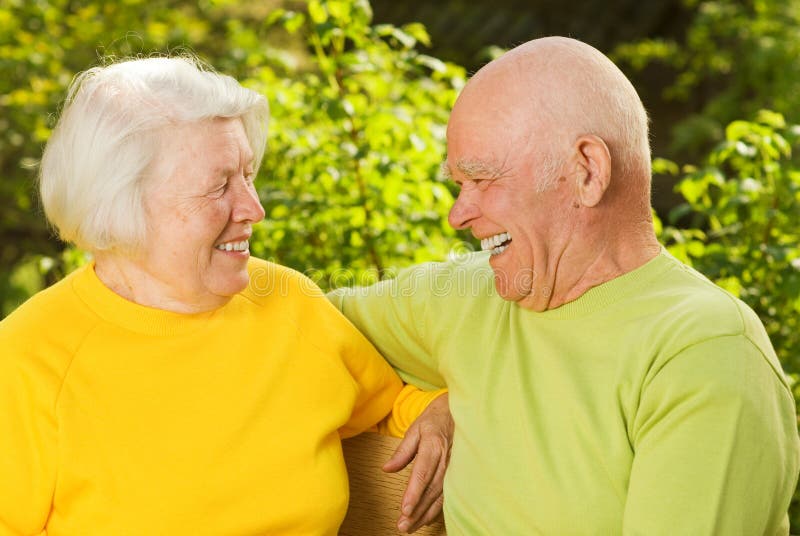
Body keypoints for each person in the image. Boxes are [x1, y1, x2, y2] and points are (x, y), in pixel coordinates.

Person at [329, 36, 800, 534]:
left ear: (587, 172)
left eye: (483, 179)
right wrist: (440, 401)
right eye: (457, 184)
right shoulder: (462, 299)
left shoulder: (701, 351)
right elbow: (282, 319)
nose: (457, 215)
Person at [0, 56, 452, 535]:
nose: (253, 208)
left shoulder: (286, 301)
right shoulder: (27, 359)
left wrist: (444, 412)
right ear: (120, 205)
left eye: (248, 175)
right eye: (218, 187)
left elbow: (393, 408)